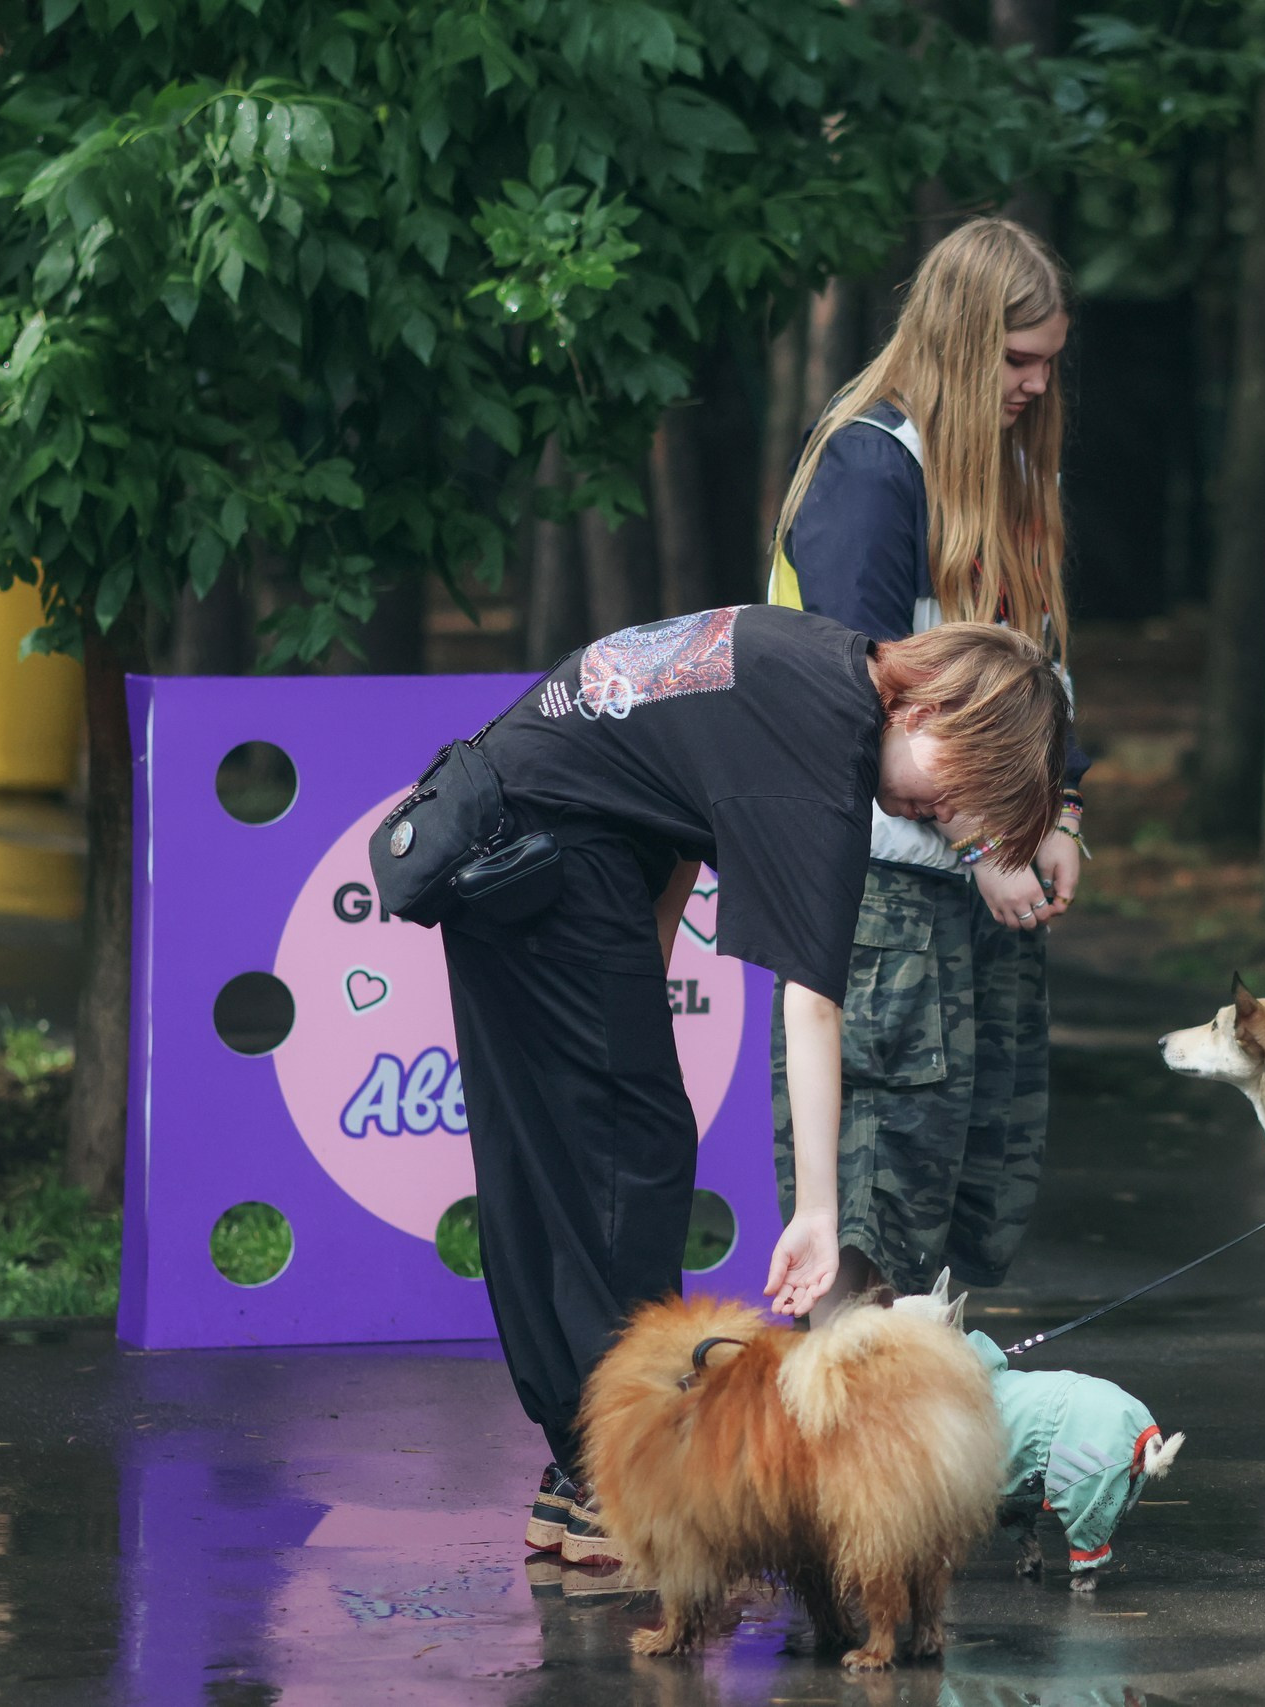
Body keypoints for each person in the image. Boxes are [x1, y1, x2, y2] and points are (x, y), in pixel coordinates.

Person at [437, 609, 1069, 1566]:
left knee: (578, 1167)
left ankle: (580, 1481)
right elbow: (814, 1003)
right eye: (952, 798)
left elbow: (664, 800)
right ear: (929, 709)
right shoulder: (825, 749)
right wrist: (819, 1209)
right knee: (626, 1167)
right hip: (537, 865)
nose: (942, 821)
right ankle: (620, 1486)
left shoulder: (804, 667)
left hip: (516, 851)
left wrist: (636, 1002)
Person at [765, 216, 1087, 1322]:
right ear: (955, 342)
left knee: (963, 1197)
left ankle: (914, 1470)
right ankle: (837, 1481)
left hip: (971, 881)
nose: (1038, 386)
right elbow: (861, 703)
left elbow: (1031, 669)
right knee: (872, 1205)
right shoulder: (866, 469)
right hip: (881, 890)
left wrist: (1063, 812)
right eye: (1017, 360)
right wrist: (987, 834)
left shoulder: (995, 462)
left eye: (1049, 360)